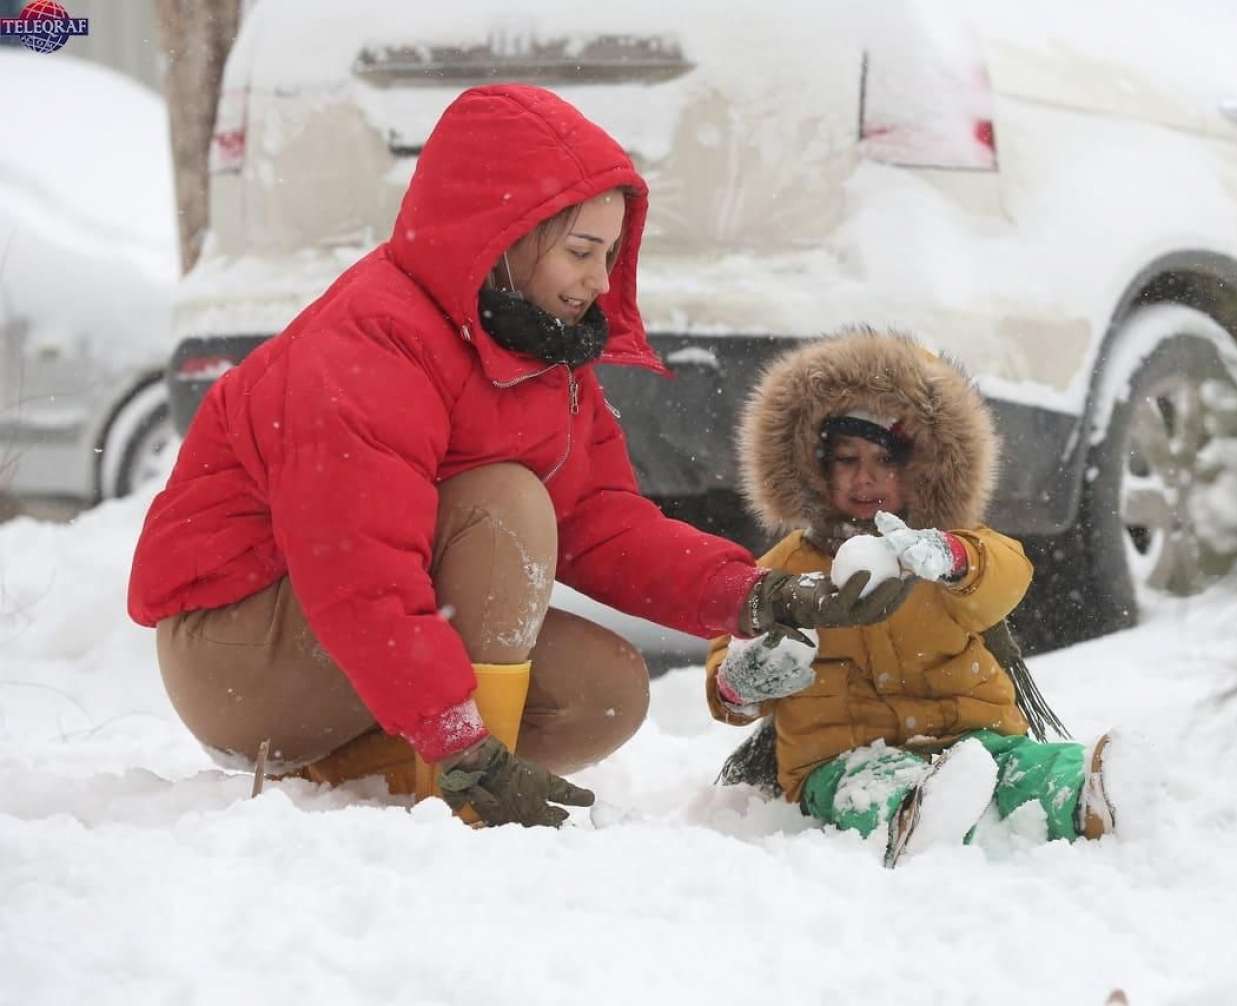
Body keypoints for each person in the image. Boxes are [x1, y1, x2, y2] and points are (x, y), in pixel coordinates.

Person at [126, 84, 909, 829]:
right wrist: (461, 739)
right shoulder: (367, 346)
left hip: (336, 635)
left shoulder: (536, 350)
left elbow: (601, 525)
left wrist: (758, 594)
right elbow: (357, 575)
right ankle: (463, 782)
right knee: (505, 501)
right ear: (502, 235)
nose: (599, 281)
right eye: (580, 251)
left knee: (604, 692)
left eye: (611, 254)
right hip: (238, 649)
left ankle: (391, 774)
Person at [705, 327, 1115, 861]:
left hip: (971, 735)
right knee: (862, 788)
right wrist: (744, 681)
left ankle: (1085, 795)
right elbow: (728, 660)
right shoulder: (782, 570)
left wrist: (952, 559)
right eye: (847, 461)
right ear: (814, 468)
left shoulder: (948, 551)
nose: (864, 478)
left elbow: (1008, 573)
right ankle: (913, 814)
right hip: (842, 754)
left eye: (884, 462)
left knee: (1018, 767)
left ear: (919, 470)